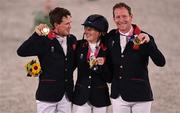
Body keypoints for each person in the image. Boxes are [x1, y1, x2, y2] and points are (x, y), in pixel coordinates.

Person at [107, 2, 166, 113]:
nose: (121, 20)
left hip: (140, 96)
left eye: (124, 16)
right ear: (114, 19)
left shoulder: (144, 37)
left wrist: (149, 43)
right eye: (118, 17)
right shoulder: (111, 37)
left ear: (131, 17)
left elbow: (161, 62)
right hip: (118, 96)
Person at [17, 7, 77, 113]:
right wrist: (36, 35)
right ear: (56, 25)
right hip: (47, 95)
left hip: (66, 96)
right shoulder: (44, 39)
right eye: (67, 24)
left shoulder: (72, 39)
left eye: (70, 23)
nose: (70, 26)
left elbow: (73, 63)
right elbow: (21, 51)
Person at [72, 14, 112, 113]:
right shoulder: (78, 46)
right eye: (85, 28)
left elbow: (109, 78)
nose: (86, 32)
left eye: (90, 29)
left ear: (100, 32)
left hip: (100, 97)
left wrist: (103, 66)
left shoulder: (108, 49)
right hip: (80, 96)